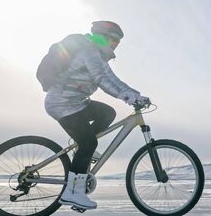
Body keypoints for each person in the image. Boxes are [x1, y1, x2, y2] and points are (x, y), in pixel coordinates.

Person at [44, 21, 150, 210]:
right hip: (62, 104)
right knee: (89, 143)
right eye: (114, 40)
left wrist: (136, 94)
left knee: (108, 113)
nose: (116, 44)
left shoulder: (99, 57)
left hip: (77, 103)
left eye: (118, 42)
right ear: (103, 35)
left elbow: (114, 80)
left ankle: (82, 150)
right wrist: (128, 97)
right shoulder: (89, 52)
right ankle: (72, 193)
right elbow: (102, 80)